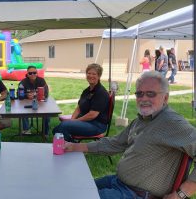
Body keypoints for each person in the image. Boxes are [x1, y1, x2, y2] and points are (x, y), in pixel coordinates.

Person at [64, 71, 196, 199]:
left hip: (136, 194)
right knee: (75, 189)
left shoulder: (172, 123)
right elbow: (115, 143)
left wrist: (181, 194)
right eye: (139, 94)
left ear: (165, 98)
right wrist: (75, 147)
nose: (143, 99)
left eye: (150, 94)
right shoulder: (142, 119)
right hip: (118, 182)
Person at [52, 63, 109, 142]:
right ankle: (72, 144)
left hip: (96, 125)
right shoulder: (87, 91)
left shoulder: (101, 92)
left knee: (62, 127)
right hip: (87, 122)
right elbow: (79, 108)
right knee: (56, 130)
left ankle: (73, 146)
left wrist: (75, 121)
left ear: (99, 76)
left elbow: (92, 115)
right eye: (89, 73)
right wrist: (72, 120)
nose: (91, 76)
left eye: (94, 74)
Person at [18, 65, 49, 134]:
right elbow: (19, 95)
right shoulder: (23, 82)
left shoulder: (41, 81)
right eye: (30, 73)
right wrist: (26, 95)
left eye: (34, 72)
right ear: (27, 74)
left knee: (47, 114)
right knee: (23, 111)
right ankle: (26, 130)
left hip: (40, 103)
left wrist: (37, 95)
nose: (32, 74)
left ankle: (45, 132)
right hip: (27, 104)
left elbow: (46, 94)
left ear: (37, 73)